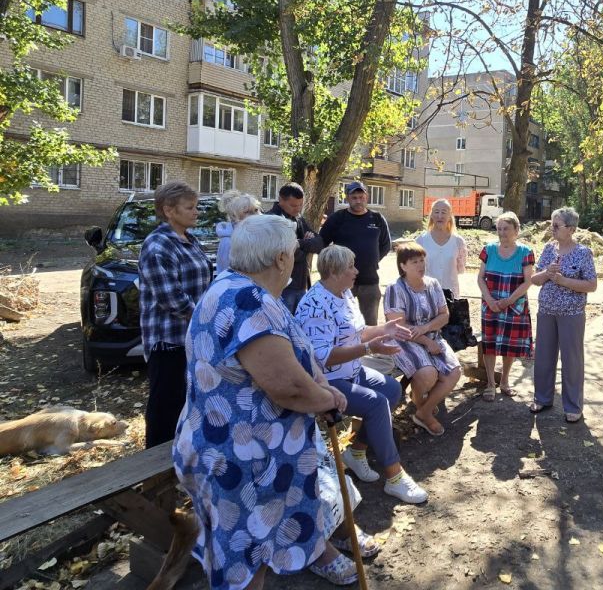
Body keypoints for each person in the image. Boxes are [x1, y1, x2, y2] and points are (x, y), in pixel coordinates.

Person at [173, 214, 379, 589]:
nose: (299, 259)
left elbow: (297, 349)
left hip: (242, 451)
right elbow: (288, 388)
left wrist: (318, 382)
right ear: (281, 259)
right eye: (296, 252)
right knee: (245, 563)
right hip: (238, 461)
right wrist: (326, 397)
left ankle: (317, 551)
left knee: (258, 548)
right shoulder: (247, 301)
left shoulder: (240, 288)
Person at [296, 245, 429, 504]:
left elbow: (355, 332)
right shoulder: (314, 304)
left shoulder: (344, 293)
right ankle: (394, 477)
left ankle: (356, 452)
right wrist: (369, 348)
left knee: (392, 389)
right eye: (350, 267)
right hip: (327, 381)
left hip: (352, 372)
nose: (357, 271)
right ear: (334, 272)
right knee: (377, 403)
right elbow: (324, 356)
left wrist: (383, 329)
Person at [138, 181, 212, 448]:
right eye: (189, 207)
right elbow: (172, 299)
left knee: (187, 404)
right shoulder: (157, 245)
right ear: (168, 210)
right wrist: (208, 321)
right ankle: (155, 473)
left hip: (192, 337)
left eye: (196, 206)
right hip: (169, 341)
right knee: (165, 409)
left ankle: (182, 462)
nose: (196, 212)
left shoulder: (191, 240)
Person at [383, 242, 462, 436]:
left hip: (433, 335)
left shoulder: (433, 284)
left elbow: (444, 315)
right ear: (403, 266)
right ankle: (420, 402)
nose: (421, 265)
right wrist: (427, 341)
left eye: (422, 261)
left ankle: (423, 412)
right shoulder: (395, 289)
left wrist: (426, 329)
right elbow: (398, 326)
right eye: (414, 262)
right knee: (428, 374)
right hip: (403, 340)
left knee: (454, 372)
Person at [529, 207, 597, 423]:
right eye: (551, 223)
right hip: (547, 311)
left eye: (556, 225)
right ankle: (542, 398)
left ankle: (573, 405)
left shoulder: (583, 253)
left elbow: (591, 285)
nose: (552, 228)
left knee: (572, 360)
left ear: (571, 229)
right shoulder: (549, 249)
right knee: (543, 357)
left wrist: (563, 280)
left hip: (572, 314)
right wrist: (547, 273)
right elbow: (535, 280)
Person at [476, 211, 535, 401]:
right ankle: (491, 383)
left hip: (514, 306)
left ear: (516, 230)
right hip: (491, 305)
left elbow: (528, 281)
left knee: (510, 345)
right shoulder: (488, 250)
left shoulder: (525, 252)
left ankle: (505, 381)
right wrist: (490, 300)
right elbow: (480, 277)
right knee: (490, 343)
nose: (502, 232)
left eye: (506, 228)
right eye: (499, 228)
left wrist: (508, 301)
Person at [319, 181, 391, 326]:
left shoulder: (377, 219)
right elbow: (322, 244)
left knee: (370, 325)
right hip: (342, 282)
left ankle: (369, 349)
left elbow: (385, 245)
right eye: (354, 197)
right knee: (342, 324)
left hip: (369, 281)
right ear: (347, 198)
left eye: (361, 197)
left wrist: (372, 261)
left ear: (367, 197)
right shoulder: (338, 218)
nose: (358, 200)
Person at [266, 182, 325, 313]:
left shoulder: (298, 219)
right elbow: (286, 254)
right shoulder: (271, 220)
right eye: (293, 205)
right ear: (281, 200)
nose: (298, 209)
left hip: (301, 284)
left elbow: (320, 243)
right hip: (282, 287)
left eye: (300, 205)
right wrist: (306, 247)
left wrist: (300, 244)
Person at [416, 198, 467, 298]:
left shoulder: (458, 242)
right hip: (427, 295)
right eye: (436, 212)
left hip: (451, 296)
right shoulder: (421, 241)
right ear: (431, 215)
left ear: (450, 216)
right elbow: (415, 270)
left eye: (443, 212)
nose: (440, 216)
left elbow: (460, 269)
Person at [214, 190, 261, 275]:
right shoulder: (228, 241)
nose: (254, 215)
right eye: (247, 212)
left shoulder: (260, 235)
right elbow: (225, 273)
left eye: (256, 210)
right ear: (235, 216)